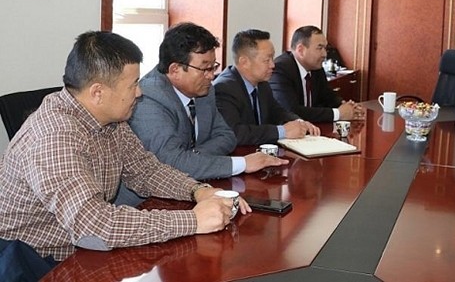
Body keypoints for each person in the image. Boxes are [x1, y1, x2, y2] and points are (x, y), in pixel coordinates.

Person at [0, 31, 248, 270]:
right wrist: (193, 221)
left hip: (77, 251)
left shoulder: (109, 119)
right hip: (33, 262)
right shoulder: (54, 138)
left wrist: (198, 191)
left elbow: (146, 171)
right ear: (98, 92)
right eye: (133, 85)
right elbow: (94, 226)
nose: (139, 93)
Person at [115, 23, 287, 206]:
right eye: (205, 68)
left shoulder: (204, 90)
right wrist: (242, 164)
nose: (211, 76)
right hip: (144, 205)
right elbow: (170, 164)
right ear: (175, 70)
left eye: (213, 67)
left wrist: (191, 158)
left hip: (194, 189)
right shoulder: (148, 98)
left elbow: (227, 136)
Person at [213, 29, 319, 145]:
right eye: (267, 60)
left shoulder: (262, 83)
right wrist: (282, 131)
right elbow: (234, 133)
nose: (273, 65)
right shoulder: (224, 89)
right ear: (244, 62)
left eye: (272, 58)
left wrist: (299, 122)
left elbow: (277, 111)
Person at [270, 25, 364, 123]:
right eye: (319, 48)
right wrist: (338, 114)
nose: (325, 54)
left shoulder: (315, 68)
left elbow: (328, 96)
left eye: (325, 48)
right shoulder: (280, 69)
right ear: (301, 50)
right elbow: (292, 111)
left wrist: (346, 106)